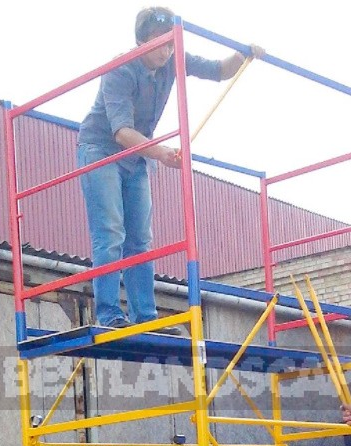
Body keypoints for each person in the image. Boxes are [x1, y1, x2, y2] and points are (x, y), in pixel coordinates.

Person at [77, 7, 263, 335]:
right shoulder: (120, 70)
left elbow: (218, 70)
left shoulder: (171, 59)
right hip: (101, 149)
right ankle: (108, 314)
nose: (166, 50)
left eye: (169, 44)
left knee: (140, 239)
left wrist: (245, 54)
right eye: (159, 43)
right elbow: (121, 132)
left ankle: (145, 318)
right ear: (140, 43)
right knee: (111, 232)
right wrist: (162, 152)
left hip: (137, 156)